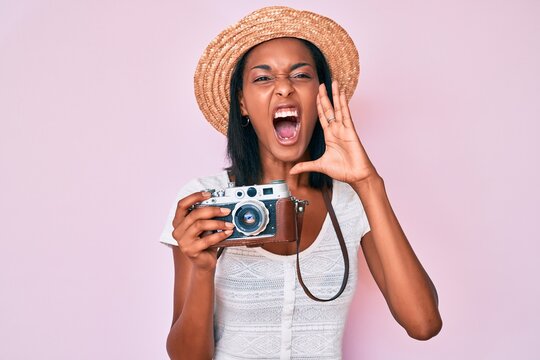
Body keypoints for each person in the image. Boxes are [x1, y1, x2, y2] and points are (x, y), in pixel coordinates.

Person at [159, 6, 442, 360]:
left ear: (320, 95)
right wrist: (202, 269)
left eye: (301, 75)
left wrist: (369, 182)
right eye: (263, 78)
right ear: (243, 104)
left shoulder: (351, 200)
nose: (283, 89)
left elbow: (424, 323)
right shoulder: (204, 200)